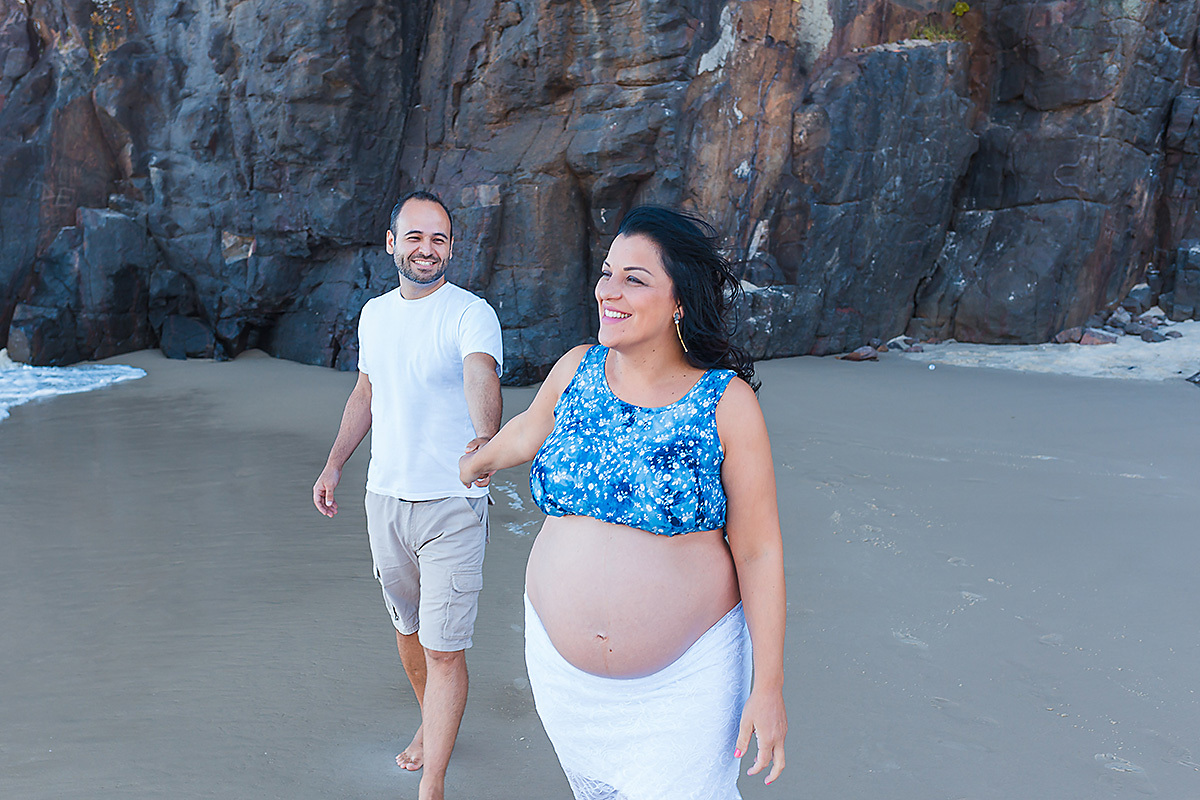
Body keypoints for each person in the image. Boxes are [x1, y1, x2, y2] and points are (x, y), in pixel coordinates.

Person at [459, 206, 787, 798]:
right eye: (608, 273)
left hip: (685, 683)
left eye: (635, 279)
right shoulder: (577, 368)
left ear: (680, 301)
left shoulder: (726, 403)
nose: (610, 291)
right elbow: (530, 430)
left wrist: (769, 686)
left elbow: (760, 551)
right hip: (567, 681)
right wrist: (476, 461)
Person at [313, 190, 503, 800]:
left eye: (440, 238)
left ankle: (435, 784)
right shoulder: (375, 315)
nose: (429, 248)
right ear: (393, 243)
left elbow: (480, 374)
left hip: (453, 502)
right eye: (416, 237)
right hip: (384, 499)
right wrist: (334, 464)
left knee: (445, 647)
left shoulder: (470, 313)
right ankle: (430, 722)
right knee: (409, 629)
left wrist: (483, 438)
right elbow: (367, 392)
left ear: (451, 247)